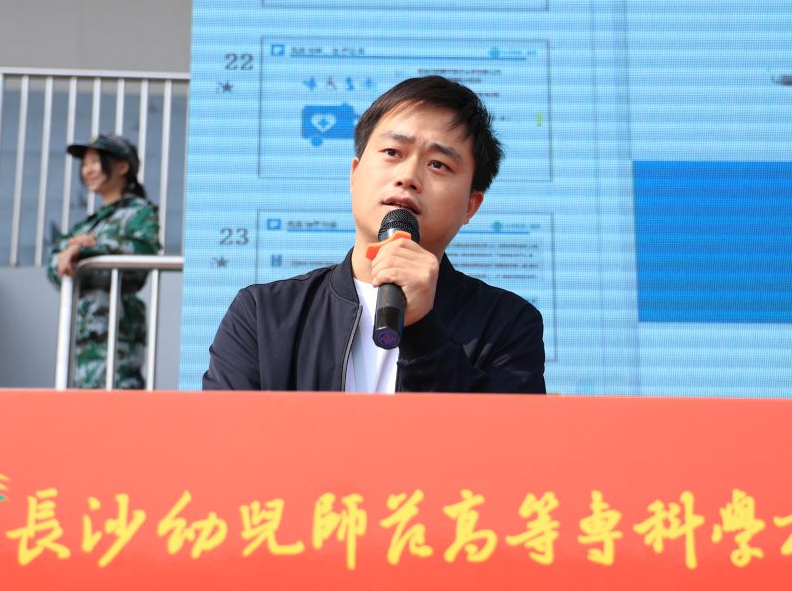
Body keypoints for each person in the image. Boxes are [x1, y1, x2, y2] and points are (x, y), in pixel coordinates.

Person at [203, 76, 545, 393]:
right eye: (392, 153)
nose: (408, 176)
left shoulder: (508, 324)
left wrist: (424, 329)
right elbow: (225, 434)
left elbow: (501, 437)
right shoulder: (263, 315)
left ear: (471, 206)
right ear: (354, 175)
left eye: (438, 164)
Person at [47, 135, 160, 389]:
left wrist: (89, 249)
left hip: (116, 335)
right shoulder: (89, 223)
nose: (87, 170)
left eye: (96, 162)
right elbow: (54, 262)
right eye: (85, 164)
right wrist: (74, 250)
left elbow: (143, 251)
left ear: (122, 167)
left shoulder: (139, 212)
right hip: (82, 337)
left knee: (117, 403)